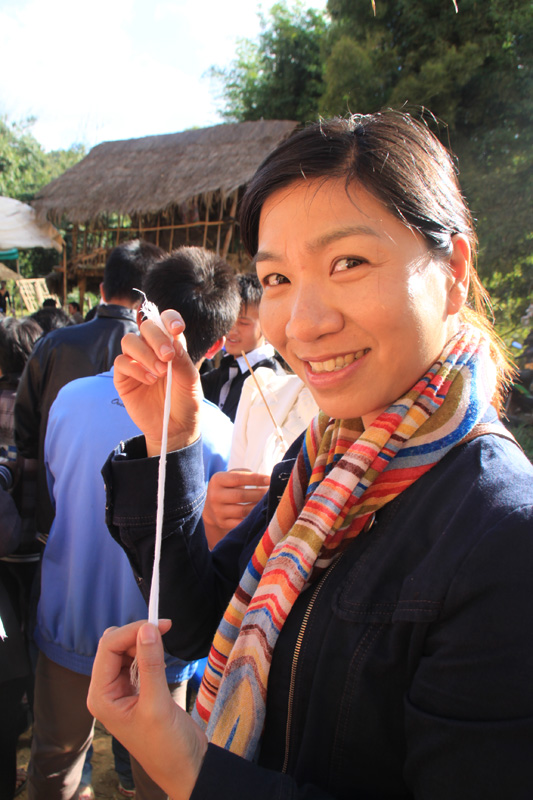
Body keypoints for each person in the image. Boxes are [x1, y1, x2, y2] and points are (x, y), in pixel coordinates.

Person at [89, 112, 533, 800]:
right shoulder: (323, 456)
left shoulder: (503, 536)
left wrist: (193, 771)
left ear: (453, 271)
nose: (302, 324)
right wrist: (170, 440)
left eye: (348, 263)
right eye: (276, 279)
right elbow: (196, 620)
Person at [27, 246, 239, 800]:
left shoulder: (70, 400)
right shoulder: (219, 433)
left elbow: (53, 493)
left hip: (70, 618)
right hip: (162, 641)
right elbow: (212, 548)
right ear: (218, 343)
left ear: (144, 312)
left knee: (55, 764)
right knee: (163, 778)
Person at [14, 239, 162, 541]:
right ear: (151, 299)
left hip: (57, 519)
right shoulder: (159, 357)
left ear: (102, 290)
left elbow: (26, 433)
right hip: (134, 535)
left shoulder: (52, 344)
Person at [201, 272, 285, 422]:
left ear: (266, 324)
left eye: (243, 323)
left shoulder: (273, 382)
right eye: (228, 320)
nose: (232, 329)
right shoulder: (218, 374)